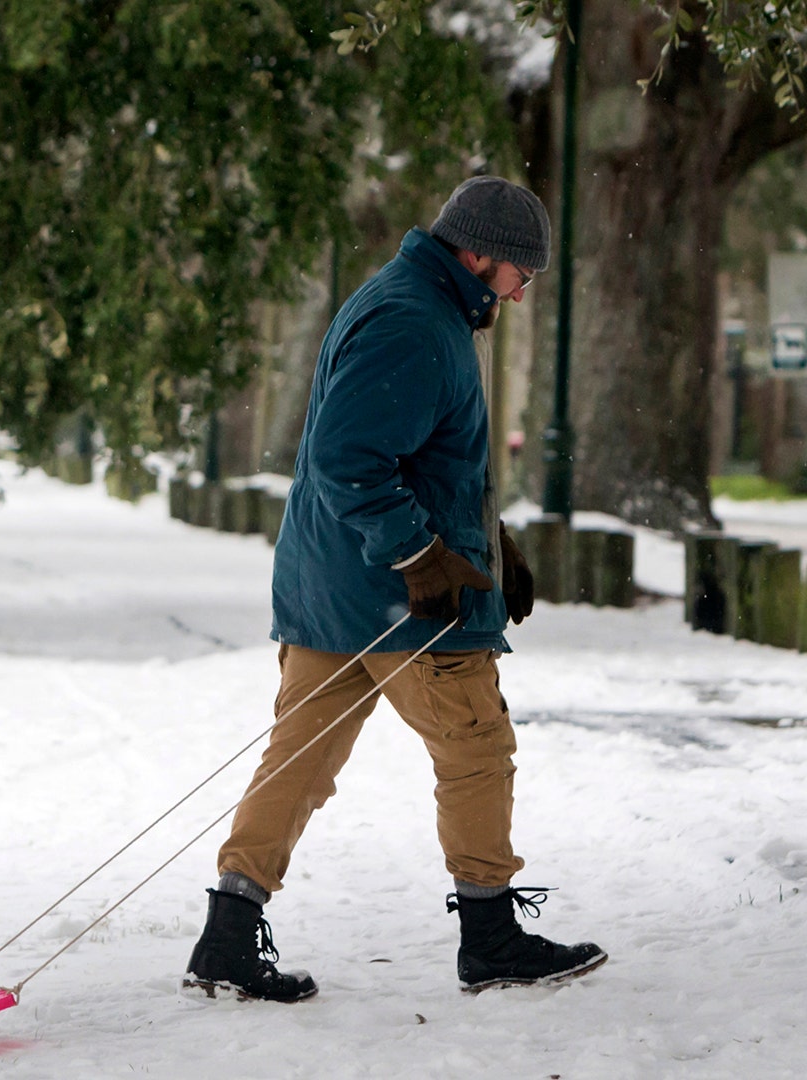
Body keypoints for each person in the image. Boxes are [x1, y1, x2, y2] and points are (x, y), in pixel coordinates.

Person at [182, 177, 606, 1002]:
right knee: (477, 749)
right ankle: (490, 939)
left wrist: (491, 539)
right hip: (399, 603)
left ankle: (226, 939)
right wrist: (420, 557)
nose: (524, 291)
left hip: (332, 587)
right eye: (524, 272)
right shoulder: (416, 322)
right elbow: (351, 459)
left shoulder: (413, 302)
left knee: (296, 764)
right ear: (479, 254)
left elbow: (416, 455)